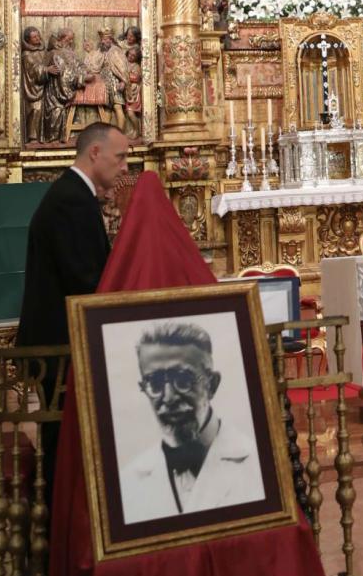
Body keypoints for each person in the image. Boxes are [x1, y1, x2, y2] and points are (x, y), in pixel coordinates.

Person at [16, 123, 128, 505]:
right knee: (61, 438)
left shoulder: (72, 194)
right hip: (58, 344)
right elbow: (85, 280)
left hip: (59, 340)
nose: (125, 167)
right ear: (94, 153)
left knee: (63, 434)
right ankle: (57, 520)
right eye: (120, 157)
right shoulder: (71, 200)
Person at [119, 320, 265, 523]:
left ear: (212, 385)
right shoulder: (128, 483)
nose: (169, 398)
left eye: (183, 380)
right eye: (155, 383)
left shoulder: (260, 465)